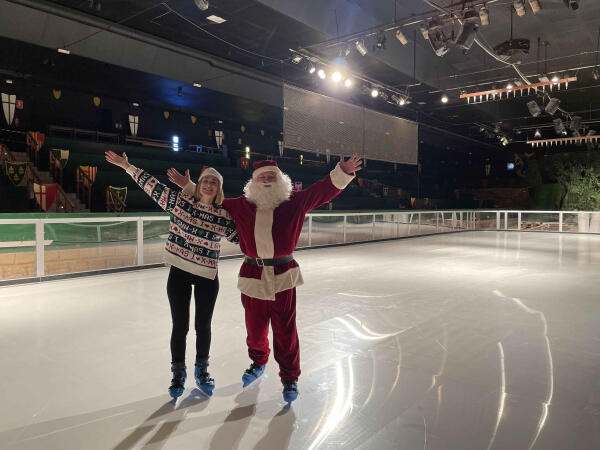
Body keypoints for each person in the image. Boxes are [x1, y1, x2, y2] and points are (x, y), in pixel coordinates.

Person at [169, 154, 362, 403]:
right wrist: (190, 187)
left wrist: (342, 171)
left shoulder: (295, 201)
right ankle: (258, 362)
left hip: (283, 276)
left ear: (281, 179)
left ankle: (290, 378)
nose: (267, 179)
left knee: (286, 331)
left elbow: (323, 191)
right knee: (255, 330)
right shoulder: (241, 205)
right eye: (263, 177)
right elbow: (212, 201)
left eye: (272, 176)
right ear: (254, 182)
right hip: (253, 275)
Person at [104, 151, 238, 399]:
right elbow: (152, 186)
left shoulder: (223, 216)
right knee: (180, 326)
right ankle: (178, 374)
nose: (209, 184)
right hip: (179, 273)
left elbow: (243, 236)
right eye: (206, 180)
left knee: (203, 326)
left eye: (214, 182)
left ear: (219, 189)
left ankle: (202, 371)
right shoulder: (180, 202)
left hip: (207, 275)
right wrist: (127, 166)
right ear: (199, 185)